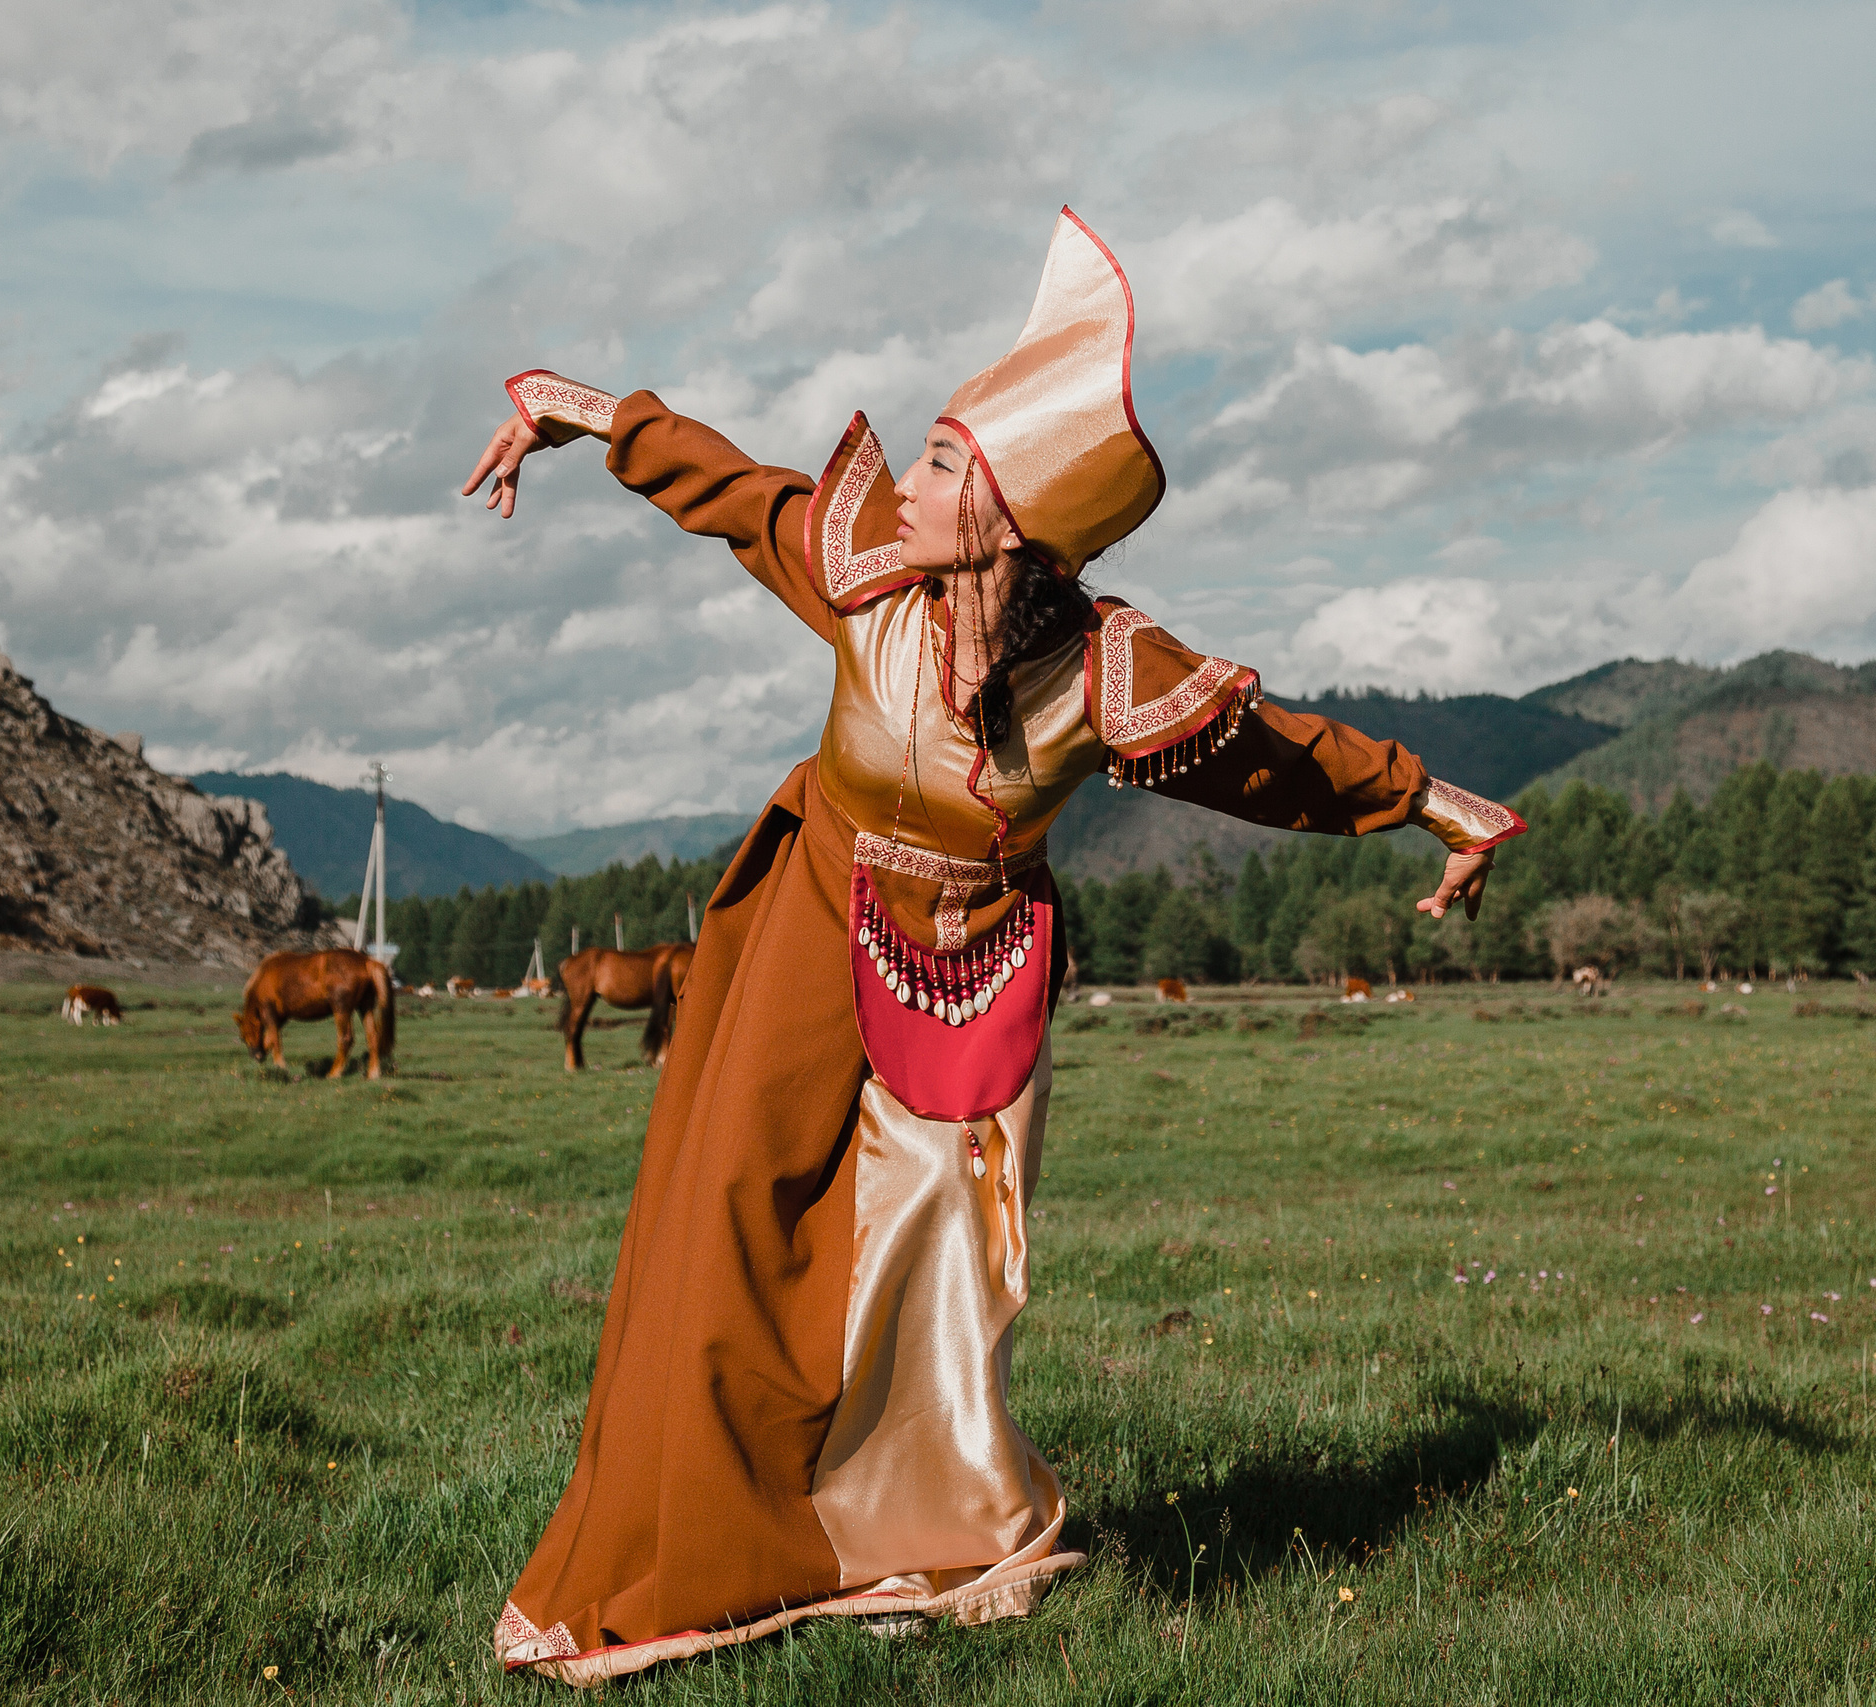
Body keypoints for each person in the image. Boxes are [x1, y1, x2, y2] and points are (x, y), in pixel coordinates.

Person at [459, 208, 1524, 1687]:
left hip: (976, 983)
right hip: (803, 929)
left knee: (934, 1279)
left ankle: (924, 1532)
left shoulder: (1101, 677)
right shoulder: (861, 581)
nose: (911, 472)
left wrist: (1433, 801)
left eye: (948, 463)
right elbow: (727, 488)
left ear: (1011, 522)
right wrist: (579, 413)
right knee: (732, 1230)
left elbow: (1268, 757)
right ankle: (700, 1540)